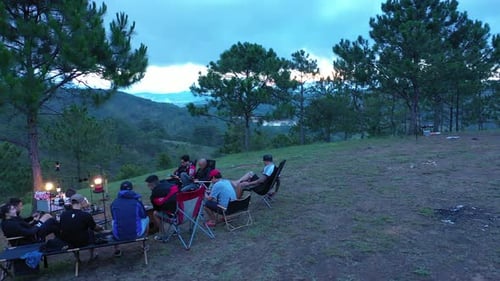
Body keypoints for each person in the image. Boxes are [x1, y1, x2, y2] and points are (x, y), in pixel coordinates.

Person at [110, 181, 149, 256]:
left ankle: (117, 250)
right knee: (147, 218)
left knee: (114, 221)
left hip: (118, 235)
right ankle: (144, 245)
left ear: (120, 190)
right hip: (136, 234)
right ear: (131, 190)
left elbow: (114, 217)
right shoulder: (136, 202)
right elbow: (143, 215)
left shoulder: (114, 203)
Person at [59, 194, 103, 260]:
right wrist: (101, 228)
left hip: (68, 243)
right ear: (81, 202)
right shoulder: (85, 215)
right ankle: (92, 254)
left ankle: (77, 258)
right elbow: (94, 227)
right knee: (90, 231)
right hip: (83, 242)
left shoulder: (63, 215)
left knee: (72, 231)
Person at [145, 174, 178, 240]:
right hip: (186, 213)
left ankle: (163, 234)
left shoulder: (154, 194)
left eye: (148, 185)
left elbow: (157, 209)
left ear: (151, 185)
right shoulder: (170, 184)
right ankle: (176, 230)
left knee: (155, 213)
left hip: (175, 217)